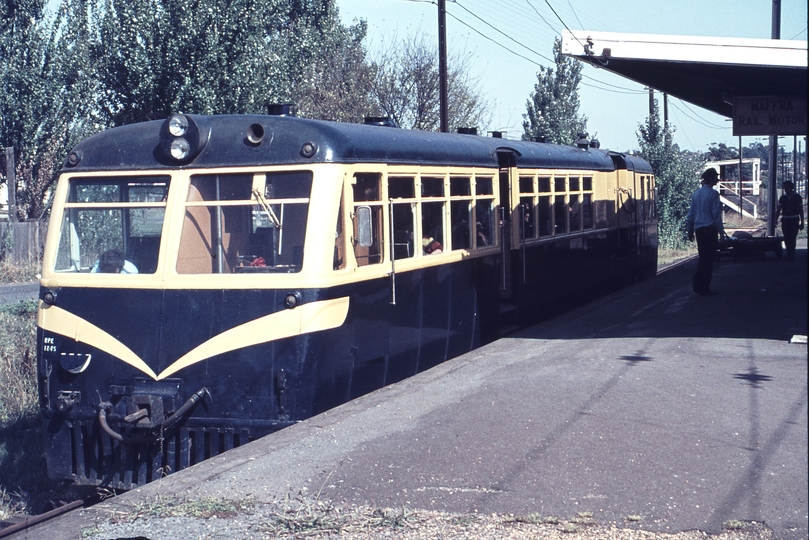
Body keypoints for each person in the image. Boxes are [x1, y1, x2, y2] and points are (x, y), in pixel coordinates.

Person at [686, 168, 726, 296]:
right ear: (710, 179)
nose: (717, 180)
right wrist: (721, 233)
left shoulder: (695, 194)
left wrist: (690, 230)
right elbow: (716, 216)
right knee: (709, 259)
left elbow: (691, 214)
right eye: (715, 177)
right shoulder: (713, 194)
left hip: (699, 230)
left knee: (703, 257)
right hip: (710, 229)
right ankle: (704, 286)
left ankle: (699, 284)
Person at [773, 180, 804, 261]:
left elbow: (801, 210)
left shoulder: (797, 197)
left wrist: (802, 222)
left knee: (793, 237)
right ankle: (788, 253)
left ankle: (791, 254)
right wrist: (775, 220)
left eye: (786, 188)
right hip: (785, 219)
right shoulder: (783, 198)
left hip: (794, 219)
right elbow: (779, 209)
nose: (785, 190)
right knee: (787, 237)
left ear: (791, 188)